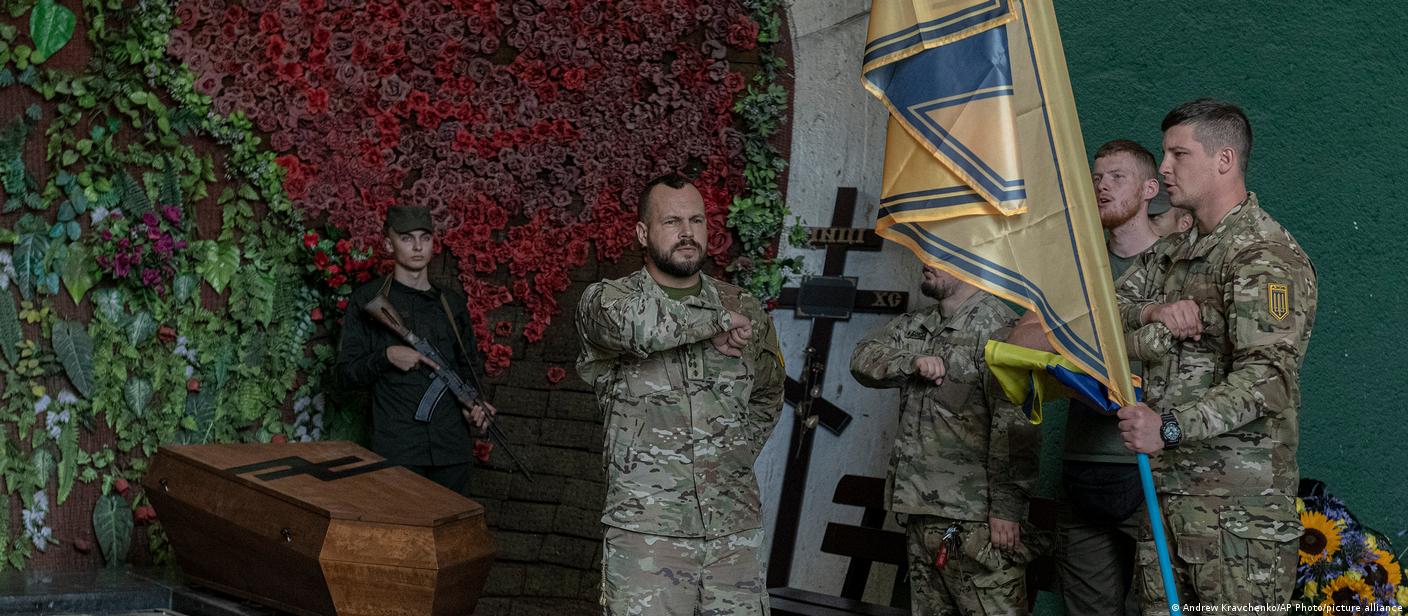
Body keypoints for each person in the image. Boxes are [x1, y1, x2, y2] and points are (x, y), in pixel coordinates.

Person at [1114, 99, 1317, 615]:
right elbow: (1100, 312)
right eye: (1164, 153)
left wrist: (1169, 428)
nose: (1164, 167)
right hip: (1167, 500)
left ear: (1224, 160)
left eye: (1179, 154)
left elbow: (1267, 380)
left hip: (1238, 521)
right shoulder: (1175, 250)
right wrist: (1153, 312)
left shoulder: (1262, 255)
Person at [575, 174, 784, 615]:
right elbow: (639, 328)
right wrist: (715, 323)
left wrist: (730, 455)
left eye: (697, 220)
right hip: (648, 535)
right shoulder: (608, 301)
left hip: (733, 535)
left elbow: (768, 392)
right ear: (642, 233)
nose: (687, 232)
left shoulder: (744, 307)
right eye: (671, 221)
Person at [1011, 139, 1168, 616]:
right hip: (1084, 467)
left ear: (1149, 189)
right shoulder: (1079, 269)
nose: (1102, 186)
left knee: (1157, 606)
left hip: (1156, 471)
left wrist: (1074, 337)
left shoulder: (1177, 265)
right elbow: (1023, 341)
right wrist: (1098, 339)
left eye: (1117, 177)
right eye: (1097, 177)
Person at [850, 264, 1039, 616]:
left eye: (939, 252)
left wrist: (1006, 509)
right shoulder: (919, 324)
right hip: (919, 512)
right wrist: (911, 362)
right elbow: (862, 356)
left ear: (969, 259)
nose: (926, 260)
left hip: (976, 523)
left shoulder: (1000, 329)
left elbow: (1016, 428)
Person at [337, 206, 492, 495]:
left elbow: (468, 366)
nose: (418, 247)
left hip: (451, 450)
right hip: (398, 449)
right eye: (407, 238)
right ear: (388, 244)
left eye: (425, 238)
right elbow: (345, 375)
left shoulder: (452, 304)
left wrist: (475, 405)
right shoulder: (367, 300)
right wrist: (386, 357)